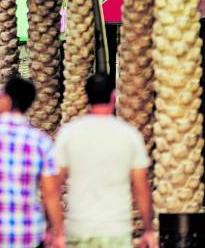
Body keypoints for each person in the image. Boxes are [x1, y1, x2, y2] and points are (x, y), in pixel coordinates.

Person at [0, 75, 64, 248]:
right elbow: (51, 194)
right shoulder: (41, 142)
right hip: (29, 234)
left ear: (6, 100)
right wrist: (58, 233)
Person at [55, 74, 156, 248]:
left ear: (86, 97)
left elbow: (53, 185)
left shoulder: (69, 133)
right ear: (114, 97)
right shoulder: (129, 135)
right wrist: (148, 229)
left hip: (79, 228)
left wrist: (56, 229)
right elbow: (141, 187)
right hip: (116, 230)